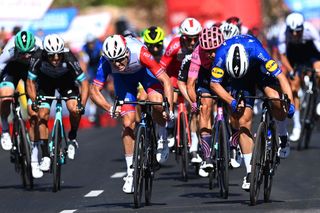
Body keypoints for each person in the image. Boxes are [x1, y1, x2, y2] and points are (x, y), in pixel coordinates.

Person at [90, 34, 173, 193]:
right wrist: (110, 108)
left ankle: (162, 136)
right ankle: (130, 171)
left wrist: (167, 106)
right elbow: (94, 91)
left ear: (127, 52)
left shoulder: (140, 52)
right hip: (124, 82)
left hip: (144, 75)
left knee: (156, 101)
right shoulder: (107, 60)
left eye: (120, 59)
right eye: (114, 61)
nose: (118, 64)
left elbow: (165, 80)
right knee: (128, 123)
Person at [210, 34, 294, 190]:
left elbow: (281, 77)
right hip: (238, 79)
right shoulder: (221, 54)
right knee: (242, 121)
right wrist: (232, 101)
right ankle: (250, 171)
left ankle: (283, 134)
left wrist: (290, 102)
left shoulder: (257, 50)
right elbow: (215, 85)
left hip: (258, 71)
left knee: (275, 98)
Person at [26, 34, 89, 175]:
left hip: (66, 82)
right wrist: (35, 99)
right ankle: (46, 156)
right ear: (45, 53)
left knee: (74, 109)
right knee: (42, 114)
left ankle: (72, 137)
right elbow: (29, 82)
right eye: (51, 56)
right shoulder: (37, 56)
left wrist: (82, 104)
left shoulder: (69, 57)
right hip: (45, 83)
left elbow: (84, 83)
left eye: (58, 55)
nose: (55, 59)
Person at [0, 30, 44, 178]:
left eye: (28, 53)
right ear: (16, 49)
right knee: (5, 95)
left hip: (30, 73)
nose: (25, 56)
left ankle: (34, 159)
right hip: (11, 70)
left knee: (34, 114)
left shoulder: (40, 47)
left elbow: (45, 72)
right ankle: (5, 129)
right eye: (22, 53)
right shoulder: (9, 49)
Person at [187, 26, 225, 174]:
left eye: (214, 50)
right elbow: (190, 84)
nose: (211, 54)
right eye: (207, 51)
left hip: (224, 74)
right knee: (205, 106)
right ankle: (207, 156)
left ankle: (234, 142)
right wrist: (194, 103)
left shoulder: (227, 49)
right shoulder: (197, 53)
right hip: (205, 78)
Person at [278, 12, 320, 142]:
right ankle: (297, 125)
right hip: (293, 56)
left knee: (319, 72)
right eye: (292, 31)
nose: (295, 34)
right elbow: (283, 56)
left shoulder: (310, 30)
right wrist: (291, 71)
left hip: (310, 52)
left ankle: (318, 98)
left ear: (303, 27)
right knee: (294, 87)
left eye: (298, 31)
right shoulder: (283, 33)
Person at [160, 17, 202, 147]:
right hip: (174, 74)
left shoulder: (201, 44)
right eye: (189, 38)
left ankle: (194, 144)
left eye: (196, 37)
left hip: (192, 76)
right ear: (183, 37)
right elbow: (161, 67)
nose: (193, 42)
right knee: (172, 98)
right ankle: (171, 126)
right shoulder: (174, 45)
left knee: (194, 107)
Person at [81, 34, 103, 123]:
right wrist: (85, 74)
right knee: (91, 90)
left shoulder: (100, 46)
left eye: (92, 43)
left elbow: (104, 59)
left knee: (109, 86)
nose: (91, 45)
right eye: (89, 43)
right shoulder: (84, 48)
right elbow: (84, 61)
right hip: (91, 67)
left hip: (100, 65)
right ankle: (92, 112)